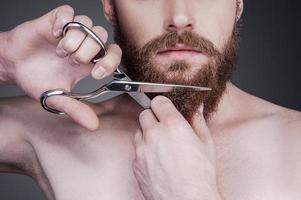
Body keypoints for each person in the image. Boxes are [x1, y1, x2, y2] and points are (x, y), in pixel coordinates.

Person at [0, 0, 300, 199]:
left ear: (237, 4)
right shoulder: (52, 130)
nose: (180, 18)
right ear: (111, 6)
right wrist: (4, 61)